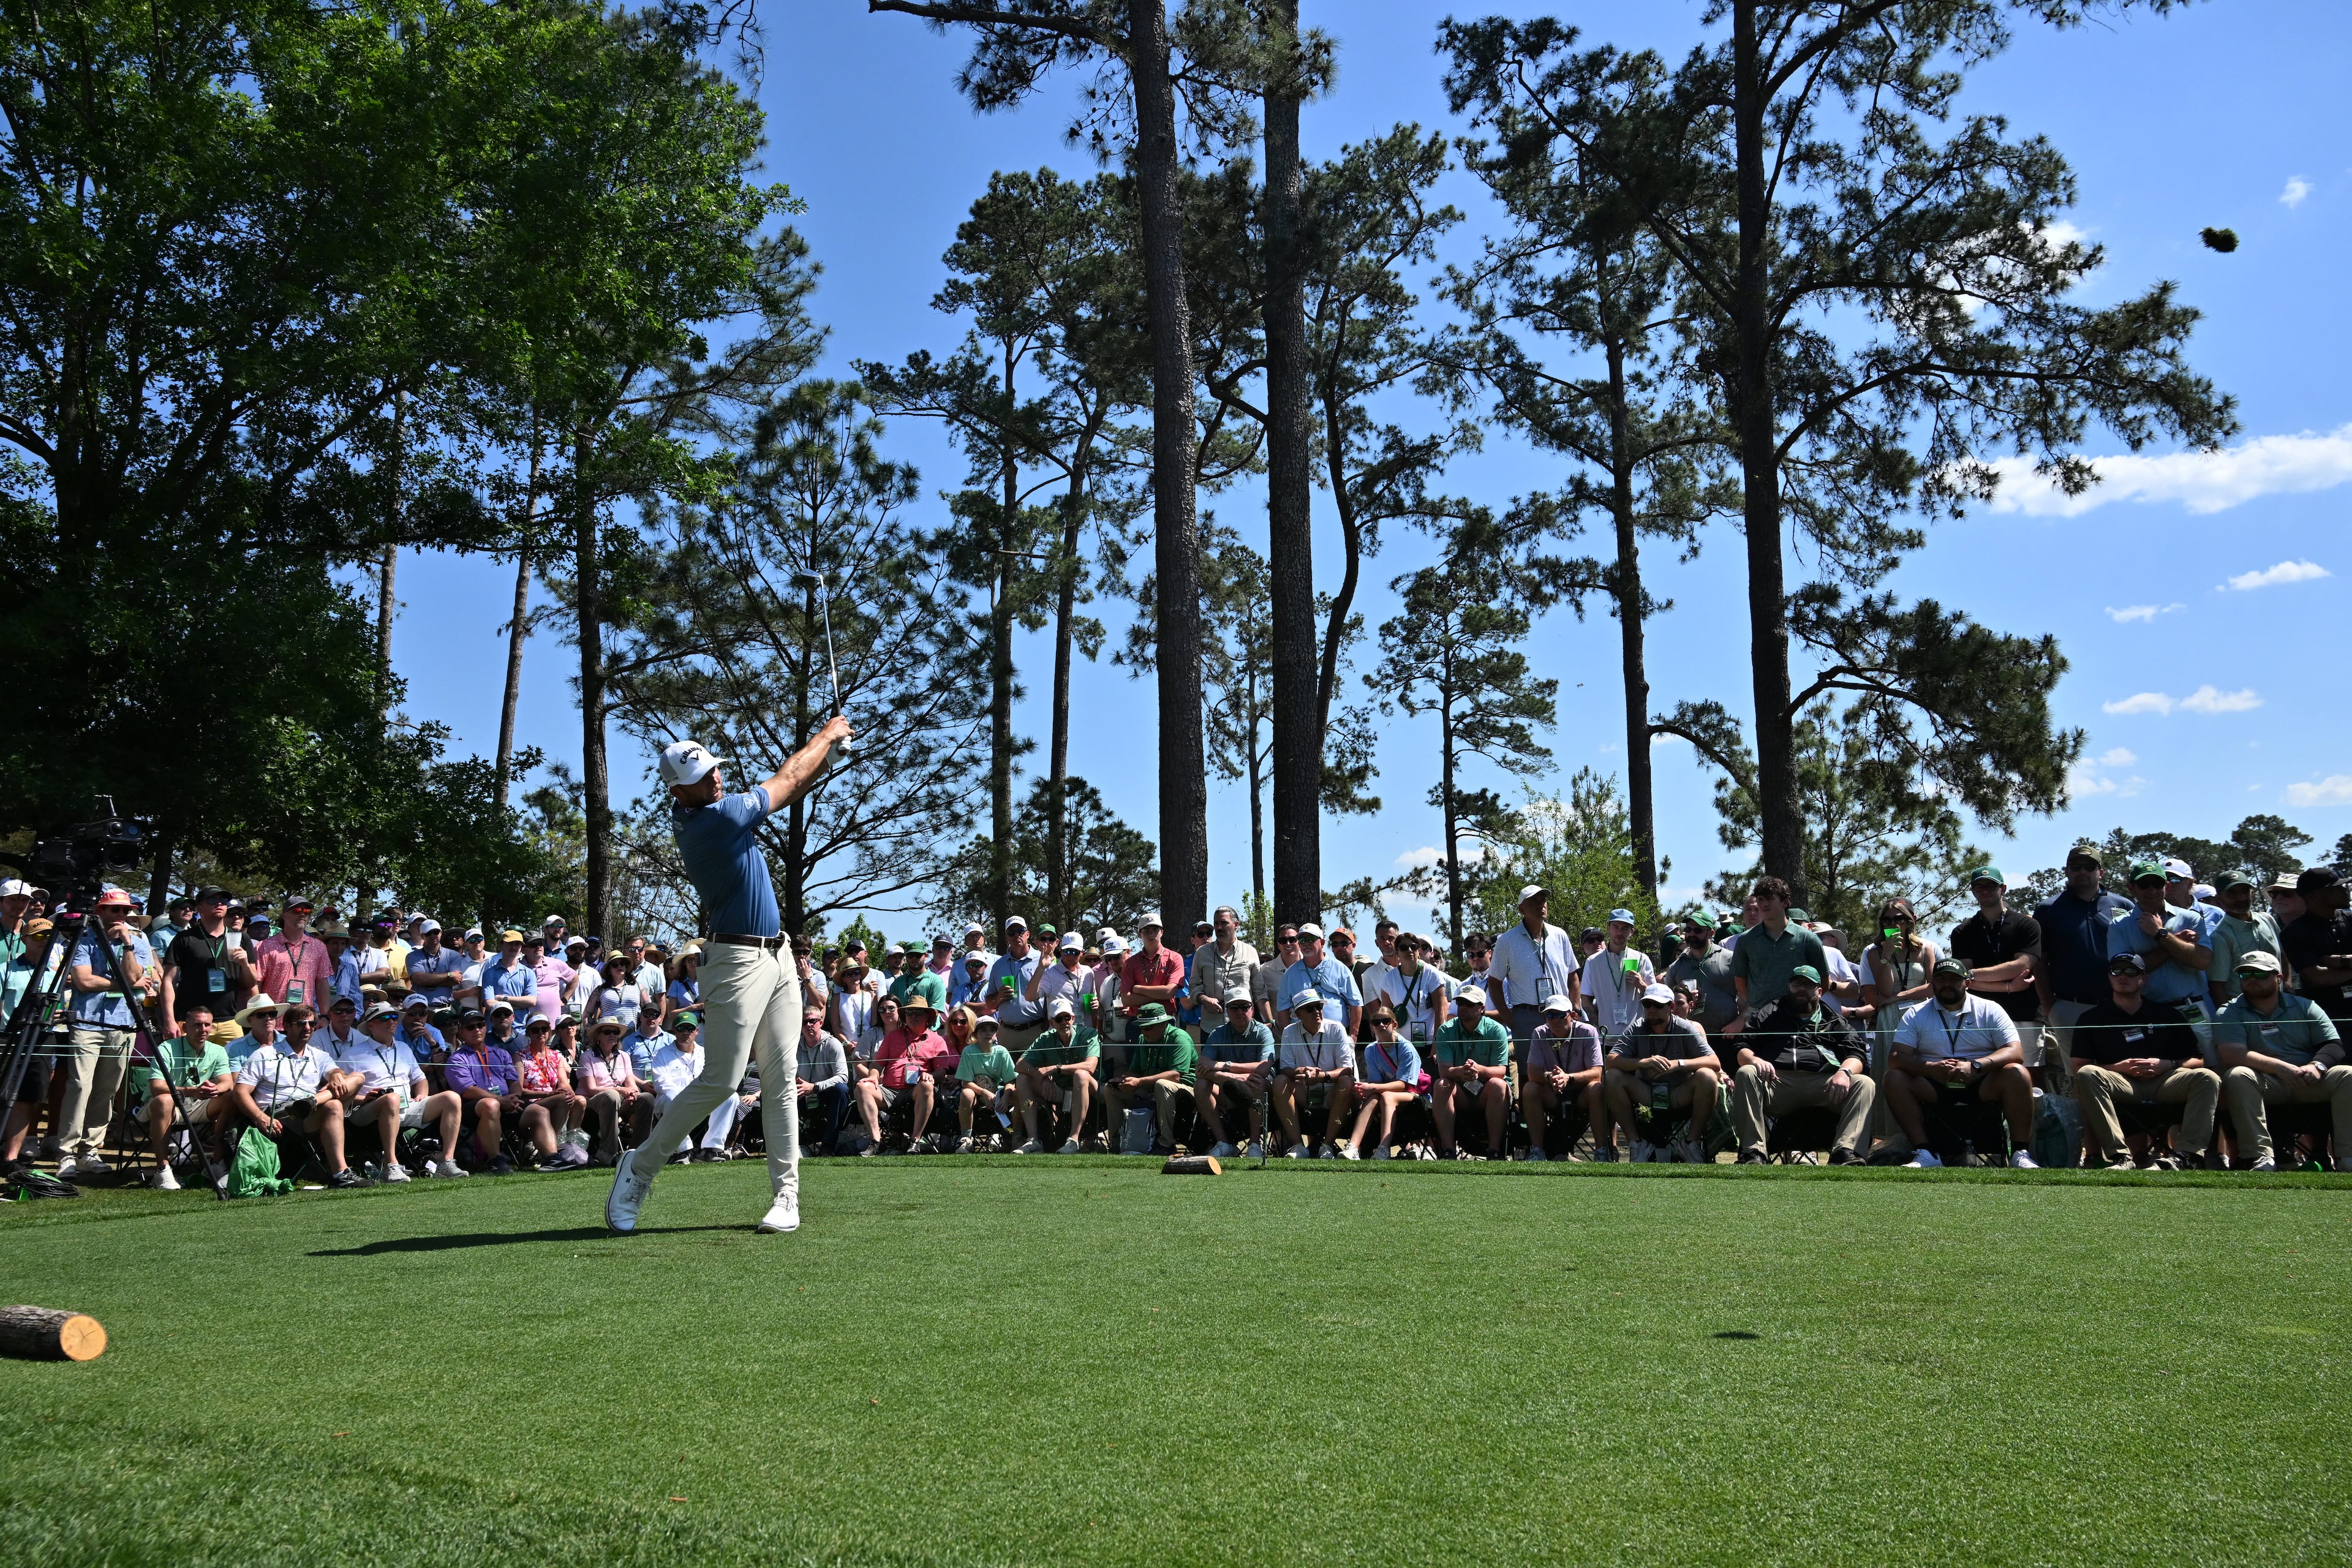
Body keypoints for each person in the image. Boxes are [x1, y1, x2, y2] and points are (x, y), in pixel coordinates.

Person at [607, 724, 849, 1234]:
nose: (715, 778)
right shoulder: (714, 820)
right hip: (735, 961)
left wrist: (825, 758)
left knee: (782, 1081)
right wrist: (829, 734)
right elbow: (786, 780)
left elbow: (794, 780)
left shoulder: (718, 811)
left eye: (714, 768)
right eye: (701, 776)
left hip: (779, 955)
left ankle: (787, 1196)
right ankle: (640, 1168)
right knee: (721, 1079)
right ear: (679, 792)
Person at [2070, 952, 2220, 1170]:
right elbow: (2078, 1067)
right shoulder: (2092, 1018)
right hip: (2122, 1082)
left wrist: (2167, 1064)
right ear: (2109, 977)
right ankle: (2121, 1157)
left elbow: (2198, 1060)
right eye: (2116, 971)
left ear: (2144, 978)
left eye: (2131, 971)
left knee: (2208, 1077)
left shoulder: (2167, 1014)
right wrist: (2117, 1068)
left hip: (2165, 1081)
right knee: (2087, 1075)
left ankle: (2188, 1155)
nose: (2123, 976)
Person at [1883, 957, 2037, 1169]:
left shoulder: (1991, 1009)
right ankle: (1926, 1153)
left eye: (1954, 979)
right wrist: (1931, 1068)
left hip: (1982, 1082)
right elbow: (1896, 1057)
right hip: (1935, 1083)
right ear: (1932, 983)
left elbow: (2015, 1052)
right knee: (1894, 1078)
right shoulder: (1916, 1013)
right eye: (1941, 979)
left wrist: (1976, 1066)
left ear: (1967, 982)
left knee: (2017, 1073)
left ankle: (2020, 1153)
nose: (1947, 984)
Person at [56, 885, 159, 1178]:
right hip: (87, 1023)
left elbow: (135, 975)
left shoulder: (138, 940)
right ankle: (66, 1153)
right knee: (79, 1086)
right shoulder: (84, 938)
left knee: (107, 1090)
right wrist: (124, 985)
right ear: (100, 911)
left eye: (125, 911)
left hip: (123, 1023)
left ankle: (90, 1150)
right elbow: (83, 982)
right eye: (114, 909)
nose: (120, 915)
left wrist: (127, 944)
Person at [2215, 950, 2349, 1172]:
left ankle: (2348, 1157)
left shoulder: (2305, 1006)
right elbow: (2232, 1054)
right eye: (2245, 975)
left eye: (2260, 975)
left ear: (2278, 978)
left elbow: (2333, 1045)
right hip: (2267, 1082)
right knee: (2238, 1075)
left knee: (2347, 1074)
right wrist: (2280, 1067)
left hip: (2308, 1080)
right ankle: (2260, 1158)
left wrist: (2317, 1066)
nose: (2251, 980)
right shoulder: (2229, 1011)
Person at [1730, 966, 1874, 1166]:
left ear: (1819, 991)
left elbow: (1857, 1054)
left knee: (1864, 1083)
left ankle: (1845, 1153)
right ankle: (1753, 1153)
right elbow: (1742, 1047)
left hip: (1823, 1085)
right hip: (1777, 1082)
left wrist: (1844, 1072)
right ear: (1789, 987)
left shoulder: (1832, 1019)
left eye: (1808, 985)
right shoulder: (1770, 1012)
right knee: (1746, 1072)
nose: (1801, 989)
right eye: (1797, 983)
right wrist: (1756, 1060)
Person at [230, 1003, 369, 1188]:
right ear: (287, 1026)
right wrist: (260, 1117)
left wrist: (336, 1075)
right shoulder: (265, 1054)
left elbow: (338, 1073)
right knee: (334, 1105)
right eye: (301, 1024)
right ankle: (341, 1175)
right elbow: (240, 1092)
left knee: (357, 1077)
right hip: (280, 1113)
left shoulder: (319, 1055)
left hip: (311, 1110)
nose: (307, 1029)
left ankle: (313, 1102)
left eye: (312, 1025)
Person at [335, 1001, 468, 1182]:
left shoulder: (403, 1048)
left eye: (394, 1017)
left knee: (452, 1098)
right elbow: (342, 1093)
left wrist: (422, 1094)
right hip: (366, 1110)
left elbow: (419, 1079)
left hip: (406, 1105)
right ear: (371, 1025)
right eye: (384, 1018)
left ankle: (446, 1161)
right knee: (391, 1099)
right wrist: (363, 1098)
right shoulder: (352, 1054)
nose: (391, 1021)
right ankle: (391, 1166)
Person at [2033, 846, 2134, 1065]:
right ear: (2066, 871)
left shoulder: (2124, 905)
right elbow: (2039, 962)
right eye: (2076, 867)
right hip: (2070, 1006)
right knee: (2081, 1076)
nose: (2083, 872)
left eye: (2090, 867)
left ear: (2101, 872)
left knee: (2124, 1068)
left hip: (2119, 1004)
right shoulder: (2048, 909)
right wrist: (2050, 1006)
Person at [1600, 986, 1721, 1164]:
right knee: (1611, 1076)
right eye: (1647, 1005)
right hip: (1647, 1093)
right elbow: (1611, 1060)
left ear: (1671, 1007)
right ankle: (1637, 1145)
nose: (1652, 1010)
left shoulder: (1685, 1027)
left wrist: (1677, 1065)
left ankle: (1690, 1143)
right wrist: (1644, 1062)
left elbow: (1715, 1062)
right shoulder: (1637, 1027)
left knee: (1708, 1076)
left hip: (1679, 1093)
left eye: (1658, 1005)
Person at [2106, 861, 2216, 1047]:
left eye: (2157, 884)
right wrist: (2175, 942)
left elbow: (2202, 961)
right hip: (2150, 1012)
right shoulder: (2118, 926)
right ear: (2132, 888)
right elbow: (2125, 972)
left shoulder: (2191, 918)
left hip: (2194, 1008)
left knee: (2210, 1069)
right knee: (2160, 1070)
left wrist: (2161, 934)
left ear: (2166, 886)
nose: (2152, 890)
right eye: (2144, 885)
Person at [1947, 866, 2046, 1070]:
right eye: (1979, 886)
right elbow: (1965, 983)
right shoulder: (1962, 932)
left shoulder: (2027, 925)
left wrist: (1972, 975)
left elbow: (2021, 966)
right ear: (1973, 891)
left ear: (2003, 889)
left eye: (1991, 885)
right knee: (1983, 1074)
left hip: (2024, 1013)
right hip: (1979, 1017)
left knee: (2030, 1077)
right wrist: (2009, 987)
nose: (1985, 890)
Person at [136, 1002, 234, 1189]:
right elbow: (157, 1087)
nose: (203, 1029)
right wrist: (191, 1091)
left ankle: (216, 1163)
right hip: (161, 1107)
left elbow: (227, 1083)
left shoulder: (218, 1050)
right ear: (185, 1027)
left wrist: (215, 1089)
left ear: (212, 1028)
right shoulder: (166, 1048)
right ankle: (162, 1170)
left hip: (196, 1106)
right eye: (197, 1025)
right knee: (165, 1100)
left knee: (229, 1097)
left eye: (207, 1025)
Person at [443, 1007, 541, 1174]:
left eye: (480, 1025)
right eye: (470, 1027)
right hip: (472, 1108)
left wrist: (514, 1098)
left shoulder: (501, 1054)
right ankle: (496, 1160)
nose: (477, 1030)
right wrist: (501, 1100)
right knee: (490, 1105)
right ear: (461, 1033)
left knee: (540, 1111)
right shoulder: (457, 1059)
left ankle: (551, 1158)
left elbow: (514, 1081)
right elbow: (467, 1090)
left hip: (507, 1104)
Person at [1727, 877, 1827, 1039]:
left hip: (1799, 1021)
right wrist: (1758, 1003)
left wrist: (1801, 1004)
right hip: (1759, 1020)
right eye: (1760, 899)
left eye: (1770, 899)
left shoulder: (1808, 939)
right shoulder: (1746, 940)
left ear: (1785, 902)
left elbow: (1823, 981)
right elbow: (1740, 981)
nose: (1764, 904)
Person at [644, 1014, 747, 1164]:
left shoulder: (706, 1054)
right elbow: (661, 1084)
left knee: (730, 1096)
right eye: (681, 1028)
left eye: (690, 1029)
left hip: (702, 1100)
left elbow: (717, 1079)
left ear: (697, 1031)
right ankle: (684, 1150)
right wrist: (687, 1097)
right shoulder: (661, 1054)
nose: (686, 1032)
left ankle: (711, 1148)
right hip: (674, 1102)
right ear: (674, 1031)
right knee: (670, 1096)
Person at [1427, 985, 1511, 1161]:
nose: (1463, 1007)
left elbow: (1501, 1071)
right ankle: (1449, 1151)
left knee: (1498, 1084)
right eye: (1460, 1003)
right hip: (1460, 1091)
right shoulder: (1445, 1030)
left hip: (1488, 1091)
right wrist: (1461, 1072)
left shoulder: (1497, 1030)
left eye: (1469, 1004)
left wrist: (1479, 1070)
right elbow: (1444, 1071)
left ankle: (1495, 1151)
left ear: (1482, 1008)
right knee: (1441, 1085)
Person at [159, 886, 257, 1036]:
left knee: (233, 1060)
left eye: (223, 900)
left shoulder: (241, 938)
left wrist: (244, 964)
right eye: (212, 900)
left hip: (229, 1021)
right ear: (200, 909)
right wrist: (169, 1020)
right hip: (192, 1020)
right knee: (189, 1060)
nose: (219, 904)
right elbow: (168, 981)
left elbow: (250, 983)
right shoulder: (184, 938)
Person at [1487, 885, 1580, 1043]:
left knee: (1567, 1065)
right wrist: (1509, 1019)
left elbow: (1573, 976)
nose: (1541, 904)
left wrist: (1576, 1007)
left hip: (1562, 1014)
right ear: (1521, 909)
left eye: (1543, 900)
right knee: (1530, 1067)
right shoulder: (1507, 941)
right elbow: (1494, 982)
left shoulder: (1560, 935)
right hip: (1526, 1016)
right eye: (1534, 901)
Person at [1106, 1003, 1196, 1155]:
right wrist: (1124, 1080)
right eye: (1141, 1027)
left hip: (1184, 1092)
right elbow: (1134, 1071)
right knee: (1111, 1089)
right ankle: (1118, 1140)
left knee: (1163, 1085)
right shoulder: (1142, 1039)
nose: (1143, 1031)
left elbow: (1175, 1075)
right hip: (1150, 1088)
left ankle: (1166, 1144)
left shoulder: (1179, 1038)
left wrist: (1139, 1082)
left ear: (1163, 1024)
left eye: (1148, 1027)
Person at [1274, 990, 1355, 1158]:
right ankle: (1298, 1146)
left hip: (1332, 1093)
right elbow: (1285, 1068)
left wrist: (1323, 1076)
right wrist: (1301, 1072)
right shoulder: (1289, 1032)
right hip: (1304, 1091)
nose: (1317, 1011)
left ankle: (1327, 1146)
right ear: (1298, 1014)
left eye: (1318, 1006)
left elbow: (1348, 1069)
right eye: (1310, 1009)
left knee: (1347, 1082)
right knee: (1280, 1081)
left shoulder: (1337, 1029)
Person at [1014, 997, 1099, 1155]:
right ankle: (1033, 1140)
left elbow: (1090, 1066)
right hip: (1060, 1091)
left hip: (1092, 1090)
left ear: (1073, 1018)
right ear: (1051, 1023)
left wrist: (1055, 1069)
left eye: (1067, 1018)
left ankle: (1073, 1140)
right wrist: (1041, 1076)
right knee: (1022, 1078)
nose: (1064, 1022)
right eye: (1059, 1019)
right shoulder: (1045, 1038)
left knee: (1081, 1075)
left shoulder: (1088, 1034)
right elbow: (1020, 1065)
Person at [1196, 989, 1275, 1158]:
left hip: (1260, 1091)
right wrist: (1235, 1077)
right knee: (1201, 1085)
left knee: (1257, 1081)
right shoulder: (1217, 1033)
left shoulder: (1263, 1032)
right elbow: (1201, 1068)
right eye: (1234, 1007)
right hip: (1228, 1089)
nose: (1240, 1011)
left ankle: (1255, 1145)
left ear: (1252, 1009)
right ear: (1227, 1011)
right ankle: (1224, 1143)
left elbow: (1263, 1069)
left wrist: (1224, 1065)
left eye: (1244, 1007)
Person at [1524, 995, 1605, 1163]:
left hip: (1581, 1093)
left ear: (1573, 1015)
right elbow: (1532, 1073)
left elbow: (1597, 1072)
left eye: (1561, 1015)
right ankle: (1537, 1151)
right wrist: (1549, 1077)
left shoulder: (1588, 1032)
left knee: (1597, 1088)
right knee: (1530, 1089)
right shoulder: (1540, 1033)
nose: (1555, 1020)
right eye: (1550, 1015)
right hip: (1552, 1093)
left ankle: (1602, 1152)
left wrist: (1569, 1078)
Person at [871, 995, 954, 1154]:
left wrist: (930, 1075)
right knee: (863, 1087)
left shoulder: (937, 1040)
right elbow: (877, 1064)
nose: (913, 1015)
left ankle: (915, 1141)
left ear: (927, 1017)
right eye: (910, 1012)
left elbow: (942, 1072)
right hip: (890, 1091)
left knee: (926, 1085)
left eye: (918, 1012)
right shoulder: (892, 1036)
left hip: (918, 1091)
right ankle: (875, 1141)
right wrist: (873, 1076)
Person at [1342, 1003, 1422, 1159]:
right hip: (1388, 1093)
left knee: (1386, 1096)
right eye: (1376, 1022)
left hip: (1412, 1094)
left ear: (1395, 1024)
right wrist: (1367, 1089)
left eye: (1386, 1021)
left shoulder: (1406, 1047)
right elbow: (1376, 1083)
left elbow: (1404, 1085)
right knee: (1373, 1097)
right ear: (1372, 1027)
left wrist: (1372, 1087)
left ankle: (1383, 1149)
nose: (1381, 1025)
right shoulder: (1371, 1050)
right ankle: (1353, 1147)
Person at [2278, 867, 2352, 1025]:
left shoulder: (2350, 919)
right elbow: (2317, 978)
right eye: (2338, 887)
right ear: (2317, 895)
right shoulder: (2294, 932)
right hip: (2330, 1021)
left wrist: (2341, 961)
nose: (2346, 890)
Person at [515, 1016, 590, 1167]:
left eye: (544, 1029)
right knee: (562, 1099)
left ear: (549, 1032)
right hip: (531, 1103)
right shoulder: (520, 1056)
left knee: (580, 1100)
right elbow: (519, 1089)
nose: (541, 1033)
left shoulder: (556, 1056)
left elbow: (564, 1083)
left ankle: (568, 1144)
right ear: (528, 1033)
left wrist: (570, 1093)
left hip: (555, 1098)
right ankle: (552, 1151)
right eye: (536, 1030)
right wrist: (549, 1094)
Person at [576, 1018, 650, 1166]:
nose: (612, 1035)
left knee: (646, 1098)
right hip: (593, 1101)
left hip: (617, 1099)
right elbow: (591, 1089)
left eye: (615, 1032)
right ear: (598, 1036)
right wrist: (620, 1090)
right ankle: (607, 1151)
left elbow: (630, 1082)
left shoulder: (624, 1056)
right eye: (607, 1032)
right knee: (612, 1095)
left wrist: (632, 1093)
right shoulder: (587, 1057)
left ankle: (638, 1150)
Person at [2206, 872, 2283, 1009]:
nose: (2241, 897)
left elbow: (2283, 955)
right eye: (2232, 893)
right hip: (2247, 1012)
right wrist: (2230, 1019)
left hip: (2280, 1005)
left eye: (2244, 891)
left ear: (2252, 893)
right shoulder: (2221, 936)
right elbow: (2217, 985)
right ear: (2219, 900)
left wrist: (2288, 985)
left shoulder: (2268, 919)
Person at [1276, 923, 1362, 1036]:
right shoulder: (1290, 974)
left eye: (1311, 939)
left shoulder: (1340, 968)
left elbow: (1356, 1003)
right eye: (1302, 940)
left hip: (1336, 1037)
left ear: (1322, 943)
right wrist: (1289, 1039)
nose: (1306, 943)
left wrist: (1353, 1038)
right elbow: (1283, 1009)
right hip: (1303, 1038)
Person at [1582, 910, 1657, 1038]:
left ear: (1631, 932)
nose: (1620, 932)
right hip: (1606, 1037)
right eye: (1615, 927)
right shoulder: (1593, 962)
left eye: (1625, 928)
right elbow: (1585, 999)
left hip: (1637, 1035)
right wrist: (1599, 1024)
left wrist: (1641, 985)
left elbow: (1655, 997)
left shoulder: (1641, 959)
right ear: (1608, 929)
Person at [951, 1012, 1019, 1153]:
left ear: (996, 1035)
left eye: (992, 1030)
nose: (988, 1033)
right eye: (983, 1030)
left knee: (1018, 1094)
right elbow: (966, 1083)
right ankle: (966, 1140)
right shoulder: (969, 1051)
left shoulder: (1002, 1051)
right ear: (976, 1034)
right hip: (977, 1093)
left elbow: (1010, 1081)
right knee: (966, 1094)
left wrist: (1005, 1098)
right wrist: (984, 1093)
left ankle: (1015, 1138)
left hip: (999, 1093)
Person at [252, 895, 331, 1015]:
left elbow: (322, 984)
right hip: (273, 1020)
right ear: (284, 915)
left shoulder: (319, 947)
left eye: (307, 912)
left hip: (306, 1022)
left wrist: (325, 1016)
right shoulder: (265, 947)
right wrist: (259, 1015)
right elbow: (256, 983)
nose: (303, 914)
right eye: (297, 910)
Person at [794, 1005, 852, 1157]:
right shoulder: (794, 1046)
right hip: (801, 1093)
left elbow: (843, 1077)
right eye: (804, 1022)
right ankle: (786, 1146)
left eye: (812, 1021)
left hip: (824, 1094)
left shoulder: (833, 1044)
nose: (808, 1025)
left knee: (841, 1090)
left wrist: (815, 1087)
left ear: (821, 1022)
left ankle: (828, 1146)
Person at [1188, 904, 1259, 1027]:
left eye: (1224, 923)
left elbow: (1260, 991)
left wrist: (1269, 1020)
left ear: (1236, 925)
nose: (1219, 927)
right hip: (1212, 1027)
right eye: (1216, 924)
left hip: (1244, 1026)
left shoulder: (1250, 952)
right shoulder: (1202, 953)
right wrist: (1204, 1000)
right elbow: (1194, 988)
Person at [1119, 913, 1188, 1038]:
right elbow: (1126, 1000)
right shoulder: (1130, 963)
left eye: (1155, 930)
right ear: (1139, 934)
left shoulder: (1174, 958)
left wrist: (1138, 989)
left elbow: (1169, 993)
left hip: (1165, 1020)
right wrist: (1160, 994)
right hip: (1138, 1022)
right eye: (1146, 931)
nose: (1151, 934)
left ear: (1162, 932)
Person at [983, 921, 1046, 1052]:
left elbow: (1052, 996)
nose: (1017, 935)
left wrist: (1046, 1024)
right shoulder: (999, 965)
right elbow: (989, 1004)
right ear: (1006, 938)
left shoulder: (1042, 960)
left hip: (1035, 1030)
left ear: (1027, 934)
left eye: (1021, 931)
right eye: (1012, 933)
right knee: (1008, 1073)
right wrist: (999, 997)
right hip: (1007, 1033)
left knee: (1034, 1072)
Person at [1379, 932, 1452, 1046]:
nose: (1409, 950)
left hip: (1430, 1043)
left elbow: (1440, 1012)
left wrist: (1437, 1043)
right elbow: (1386, 1014)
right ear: (1397, 952)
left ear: (1419, 951)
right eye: (1403, 948)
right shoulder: (1389, 979)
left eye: (1413, 947)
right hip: (1401, 1044)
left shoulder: (1432, 974)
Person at [481, 930, 539, 1021]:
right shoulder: (489, 973)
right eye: (510, 944)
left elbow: (532, 1001)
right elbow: (489, 1004)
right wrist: (520, 1005)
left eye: (517, 944)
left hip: (521, 1028)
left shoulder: (528, 973)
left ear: (521, 948)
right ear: (501, 946)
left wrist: (503, 999)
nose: (514, 947)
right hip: (496, 1028)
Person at [1253, 926, 1299, 1028]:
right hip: (1278, 1036)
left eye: (1292, 940)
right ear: (1278, 945)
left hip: (1310, 1036)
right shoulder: (1264, 970)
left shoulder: (1310, 966)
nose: (1288, 944)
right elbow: (1258, 995)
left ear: (1299, 942)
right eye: (1283, 941)